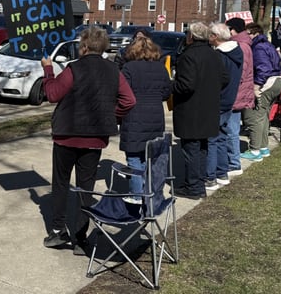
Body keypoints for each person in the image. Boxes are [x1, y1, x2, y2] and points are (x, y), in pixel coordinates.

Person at [41, 26, 136, 254]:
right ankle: (80, 237)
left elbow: (52, 94)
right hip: (94, 137)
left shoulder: (74, 68)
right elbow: (129, 100)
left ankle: (58, 230)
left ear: (84, 46)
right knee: (86, 188)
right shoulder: (113, 70)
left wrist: (48, 70)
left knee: (61, 183)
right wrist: (112, 115)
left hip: (67, 134)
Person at [171, 22, 227, 200]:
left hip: (191, 110)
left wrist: (171, 85)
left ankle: (194, 186)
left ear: (191, 36)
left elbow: (186, 85)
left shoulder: (188, 56)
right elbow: (225, 78)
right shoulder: (214, 54)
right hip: (208, 107)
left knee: (192, 149)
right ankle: (197, 184)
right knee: (201, 148)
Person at [118, 35, 171, 203]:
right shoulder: (161, 68)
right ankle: (149, 194)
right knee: (150, 157)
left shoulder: (129, 68)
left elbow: (122, 93)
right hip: (155, 114)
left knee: (134, 157)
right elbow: (166, 92)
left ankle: (136, 195)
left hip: (134, 114)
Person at [204, 23, 242, 191]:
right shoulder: (237, 51)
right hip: (229, 99)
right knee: (221, 136)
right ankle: (222, 173)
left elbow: (216, 80)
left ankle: (210, 177)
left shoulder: (219, 56)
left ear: (215, 37)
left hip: (218, 100)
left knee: (212, 139)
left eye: (210, 34)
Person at [240, 23, 281, 161]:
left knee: (255, 117)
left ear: (255, 33)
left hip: (266, 83)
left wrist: (256, 86)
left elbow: (263, 68)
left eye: (248, 34)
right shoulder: (268, 45)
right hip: (276, 81)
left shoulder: (258, 47)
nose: (246, 37)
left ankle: (255, 150)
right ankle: (263, 147)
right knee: (263, 116)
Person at [226, 18, 255, 177]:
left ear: (233, 29)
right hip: (239, 92)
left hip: (236, 93)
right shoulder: (243, 44)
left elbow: (239, 73)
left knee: (231, 129)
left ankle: (234, 163)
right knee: (231, 128)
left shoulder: (241, 46)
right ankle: (232, 161)